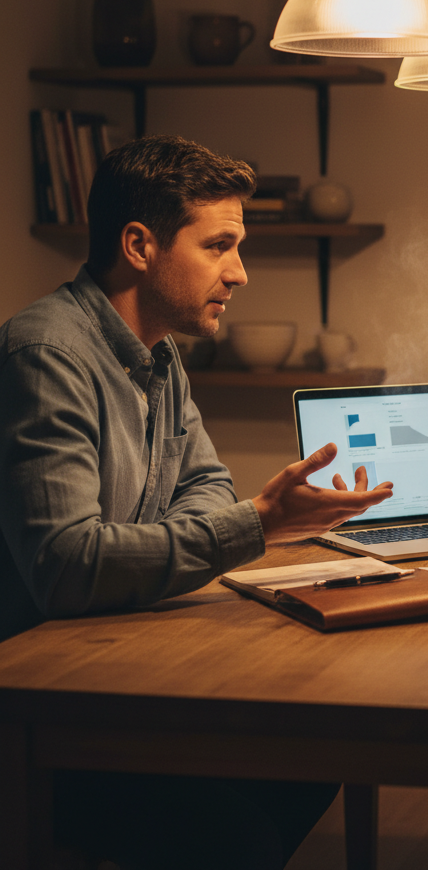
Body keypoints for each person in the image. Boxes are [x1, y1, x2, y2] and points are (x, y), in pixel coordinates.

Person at [0, 135, 394, 870]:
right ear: (140, 245)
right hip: (43, 714)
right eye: (219, 246)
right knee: (236, 834)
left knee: (319, 754)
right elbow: (64, 566)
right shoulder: (46, 354)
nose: (239, 274)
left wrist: (221, 527)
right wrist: (257, 525)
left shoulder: (159, 355)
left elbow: (204, 485)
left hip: (120, 669)